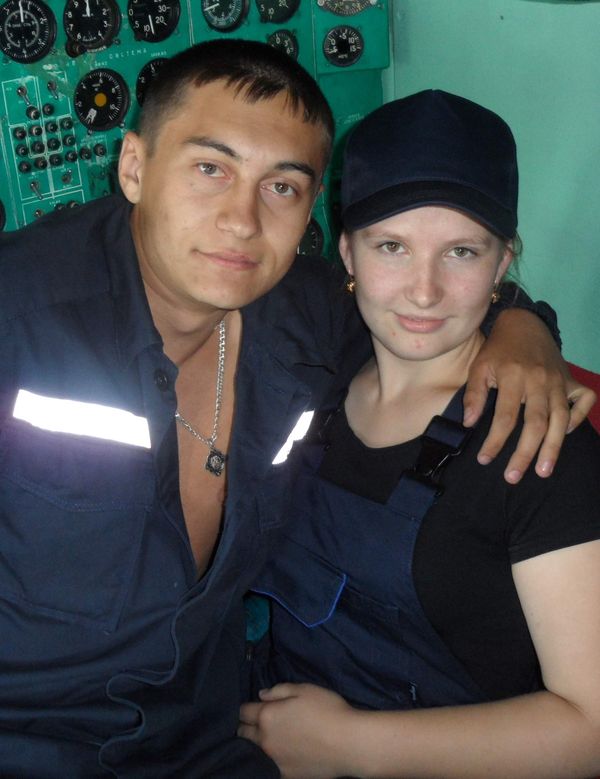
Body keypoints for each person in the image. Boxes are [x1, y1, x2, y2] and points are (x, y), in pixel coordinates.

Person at [0, 40, 592, 776]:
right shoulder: (19, 318)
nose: (242, 220)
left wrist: (524, 325)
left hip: (208, 734)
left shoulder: (303, 316)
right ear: (134, 167)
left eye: (281, 186)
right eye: (210, 168)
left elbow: (429, 294)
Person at [239, 90, 600, 779]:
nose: (424, 291)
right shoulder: (319, 368)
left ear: (502, 264)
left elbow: (591, 728)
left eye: (462, 251)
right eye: (392, 247)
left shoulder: (542, 441)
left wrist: (350, 745)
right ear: (347, 253)